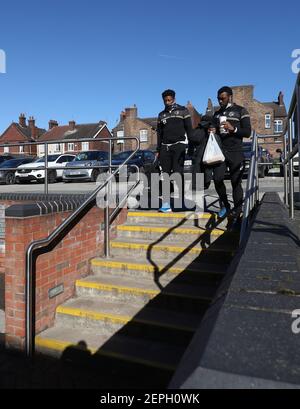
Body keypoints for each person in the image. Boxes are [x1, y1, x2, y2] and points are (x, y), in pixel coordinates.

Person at [212, 86, 252, 224]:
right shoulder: (216, 114)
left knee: (236, 183)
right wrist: (212, 130)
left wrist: (233, 128)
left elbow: (247, 132)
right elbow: (214, 132)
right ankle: (226, 205)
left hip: (236, 151)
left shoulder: (241, 110)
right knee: (217, 179)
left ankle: (238, 210)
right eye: (218, 98)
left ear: (230, 97)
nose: (220, 101)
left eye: (222, 98)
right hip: (220, 151)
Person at [156, 89, 193, 212]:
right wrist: (158, 149)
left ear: (174, 99)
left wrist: (190, 145)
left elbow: (189, 129)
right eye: (165, 100)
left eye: (169, 100)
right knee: (165, 176)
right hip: (165, 147)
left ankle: (181, 200)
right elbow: (159, 134)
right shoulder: (161, 115)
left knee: (177, 173)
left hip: (179, 146)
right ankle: (166, 203)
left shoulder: (183, 110)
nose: (167, 102)